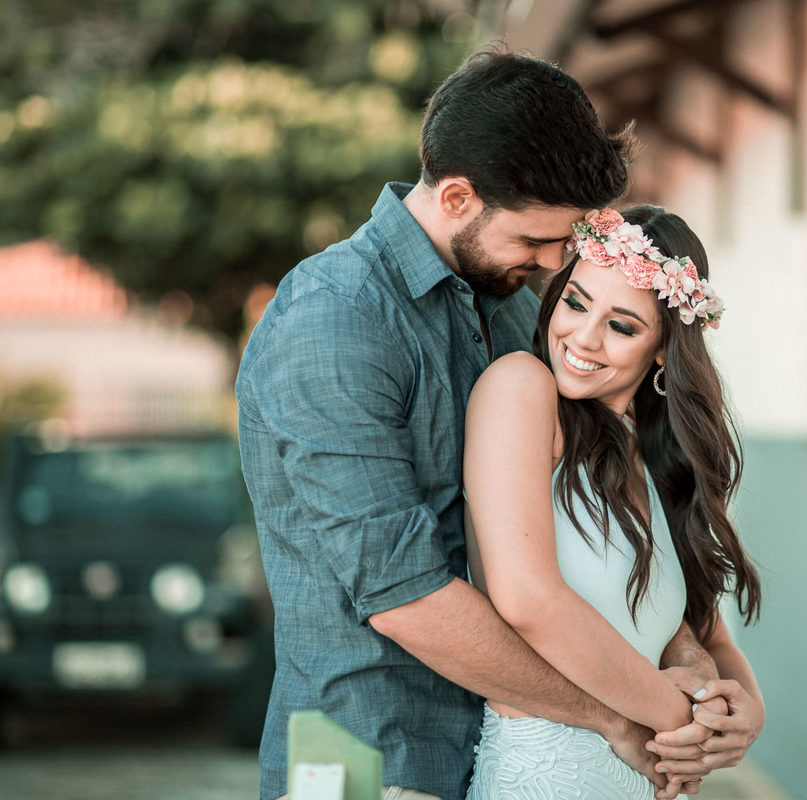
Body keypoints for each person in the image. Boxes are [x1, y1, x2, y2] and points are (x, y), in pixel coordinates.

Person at [236, 47, 759, 800]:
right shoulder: (334, 320)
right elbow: (403, 594)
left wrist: (689, 657)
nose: (555, 263)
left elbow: (601, 529)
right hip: (375, 758)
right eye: (536, 239)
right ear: (455, 198)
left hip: (499, 752)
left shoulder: (517, 311)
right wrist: (612, 718)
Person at [461, 205, 764, 799]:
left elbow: (710, 634)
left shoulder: (652, 456)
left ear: (661, 351)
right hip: (547, 777)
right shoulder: (521, 386)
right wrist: (681, 723)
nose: (582, 336)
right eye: (575, 303)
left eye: (622, 326)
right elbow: (527, 600)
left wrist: (743, 714)